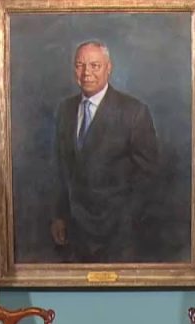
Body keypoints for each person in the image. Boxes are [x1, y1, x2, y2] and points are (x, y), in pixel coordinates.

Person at [50, 40, 160, 263]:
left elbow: (148, 177)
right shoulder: (65, 110)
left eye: (95, 66)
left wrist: (125, 222)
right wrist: (59, 216)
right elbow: (62, 170)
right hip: (74, 233)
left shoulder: (134, 112)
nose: (86, 73)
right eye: (80, 65)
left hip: (118, 235)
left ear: (108, 68)